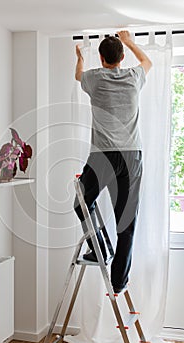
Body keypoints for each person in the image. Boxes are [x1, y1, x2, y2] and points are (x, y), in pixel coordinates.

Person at [74, 31, 152, 294]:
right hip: (131, 156)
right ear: (122, 57)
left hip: (103, 156)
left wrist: (79, 57)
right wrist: (130, 41)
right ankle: (118, 282)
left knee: (81, 203)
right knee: (126, 221)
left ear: (101, 58)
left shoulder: (94, 79)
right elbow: (147, 62)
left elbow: (78, 75)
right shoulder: (133, 77)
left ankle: (100, 249)